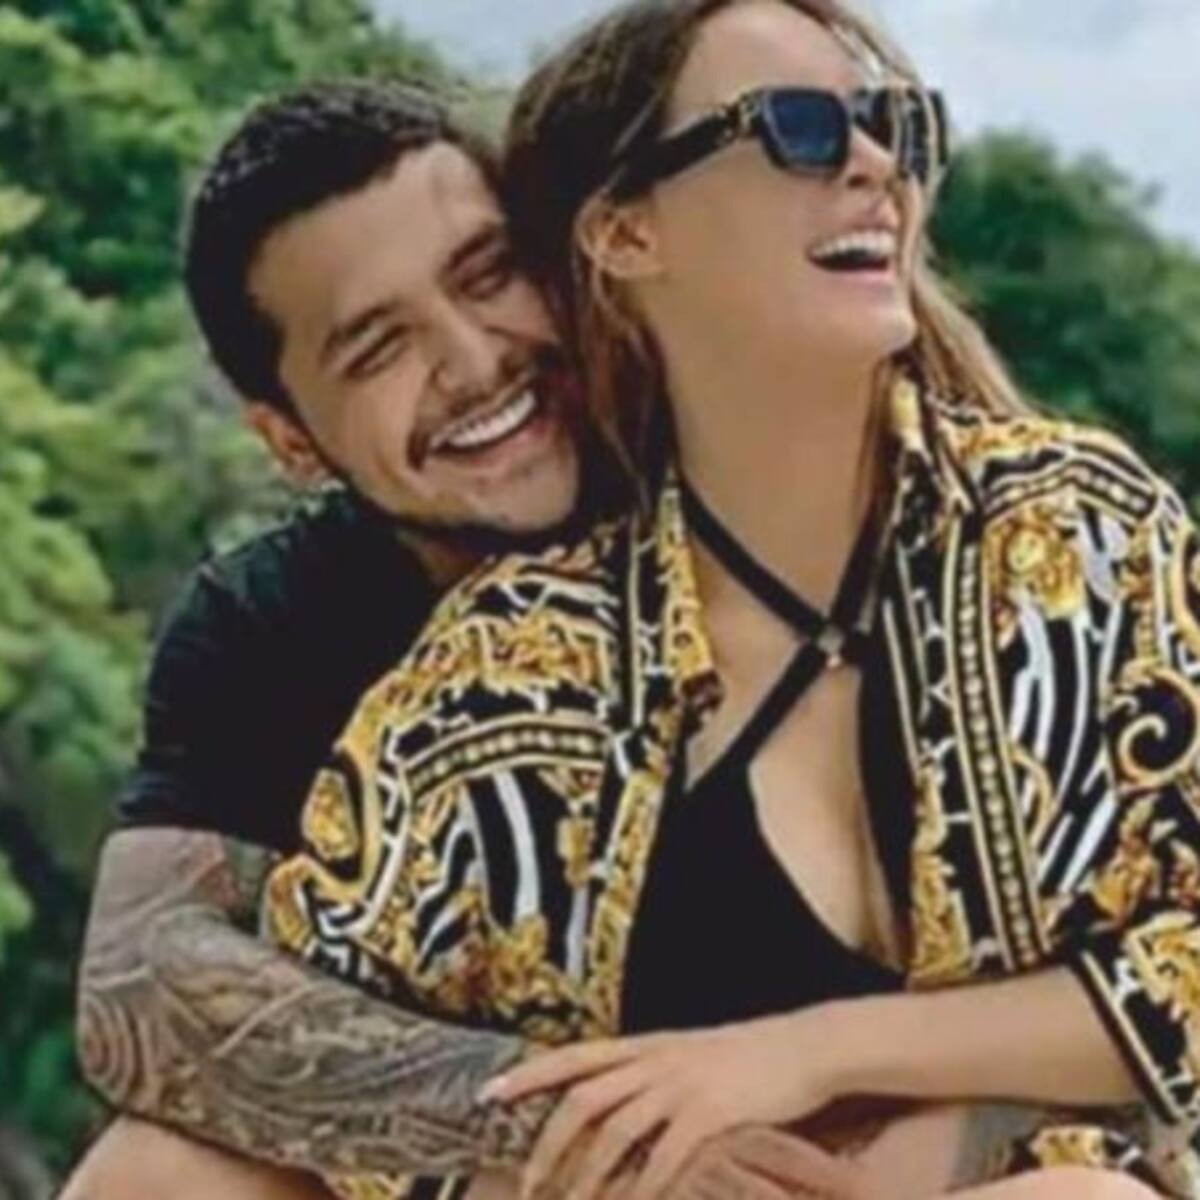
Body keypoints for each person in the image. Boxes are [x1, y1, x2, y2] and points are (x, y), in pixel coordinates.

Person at [261, 2, 1200, 1200]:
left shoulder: (1078, 540)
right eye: (800, 127)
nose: (874, 165)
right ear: (626, 232)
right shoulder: (508, 679)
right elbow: (307, 1061)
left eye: (891, 123)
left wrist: (801, 1057)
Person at [67, 78, 880, 1200]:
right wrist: (593, 1135)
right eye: (376, 348)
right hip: (542, 1168)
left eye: (489, 275)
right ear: (291, 440)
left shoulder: (757, 474)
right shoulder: (273, 621)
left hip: (859, 1139)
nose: (473, 360)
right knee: (153, 1175)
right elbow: (138, 991)